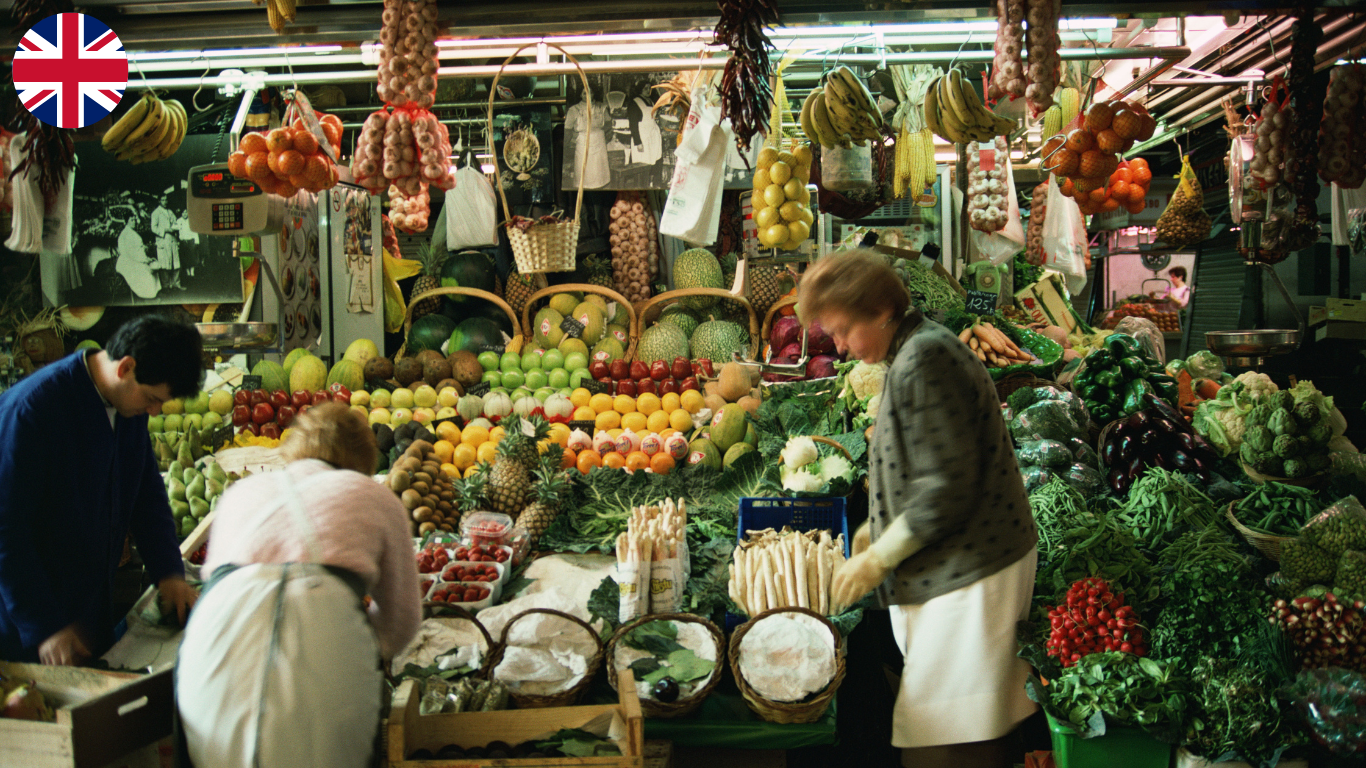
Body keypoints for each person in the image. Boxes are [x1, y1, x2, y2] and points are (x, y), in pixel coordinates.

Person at [806, 250, 1038, 768]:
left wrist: (878, 556)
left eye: (844, 330)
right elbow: (926, 459)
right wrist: (873, 532)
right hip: (961, 562)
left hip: (974, 568)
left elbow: (946, 488)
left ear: (883, 310)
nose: (839, 346)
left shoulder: (925, 359)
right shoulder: (913, 349)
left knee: (949, 732)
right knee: (972, 721)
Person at [176, 401, 421, 768]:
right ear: (363, 457)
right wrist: (349, 630)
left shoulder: (241, 493)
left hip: (212, 649)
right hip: (321, 650)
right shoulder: (373, 495)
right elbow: (400, 621)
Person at [0, 315, 204, 665]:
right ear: (126, 367)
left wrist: (168, 571)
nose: (154, 411)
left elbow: (146, 493)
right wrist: (44, 626)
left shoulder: (128, 407)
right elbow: (6, 533)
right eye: (152, 398)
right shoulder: (33, 411)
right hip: (25, 627)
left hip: (89, 613)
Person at [564, 82, 610, 190]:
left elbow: (608, 122)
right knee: (584, 175)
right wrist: (567, 144)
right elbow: (567, 129)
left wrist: (603, 136)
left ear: (593, 94)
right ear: (580, 95)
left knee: (600, 175)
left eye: (589, 92)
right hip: (583, 142)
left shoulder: (601, 107)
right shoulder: (574, 110)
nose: (587, 95)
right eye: (584, 93)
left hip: (599, 142)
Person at [115, 213, 161, 299]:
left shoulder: (132, 232)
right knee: (144, 271)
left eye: (135, 220)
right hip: (127, 261)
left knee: (153, 269)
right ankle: (147, 296)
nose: (134, 222)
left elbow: (137, 250)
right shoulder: (125, 234)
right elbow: (130, 253)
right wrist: (144, 260)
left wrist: (146, 258)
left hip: (135, 258)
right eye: (131, 220)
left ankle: (154, 293)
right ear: (126, 222)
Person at [151, 195, 182, 290]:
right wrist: (165, 230)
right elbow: (153, 228)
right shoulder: (156, 213)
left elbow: (175, 223)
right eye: (162, 200)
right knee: (164, 264)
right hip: (163, 240)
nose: (165, 202)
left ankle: (176, 283)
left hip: (172, 240)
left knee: (176, 263)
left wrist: (175, 227)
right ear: (159, 201)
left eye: (166, 200)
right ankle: (165, 285)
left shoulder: (170, 211)